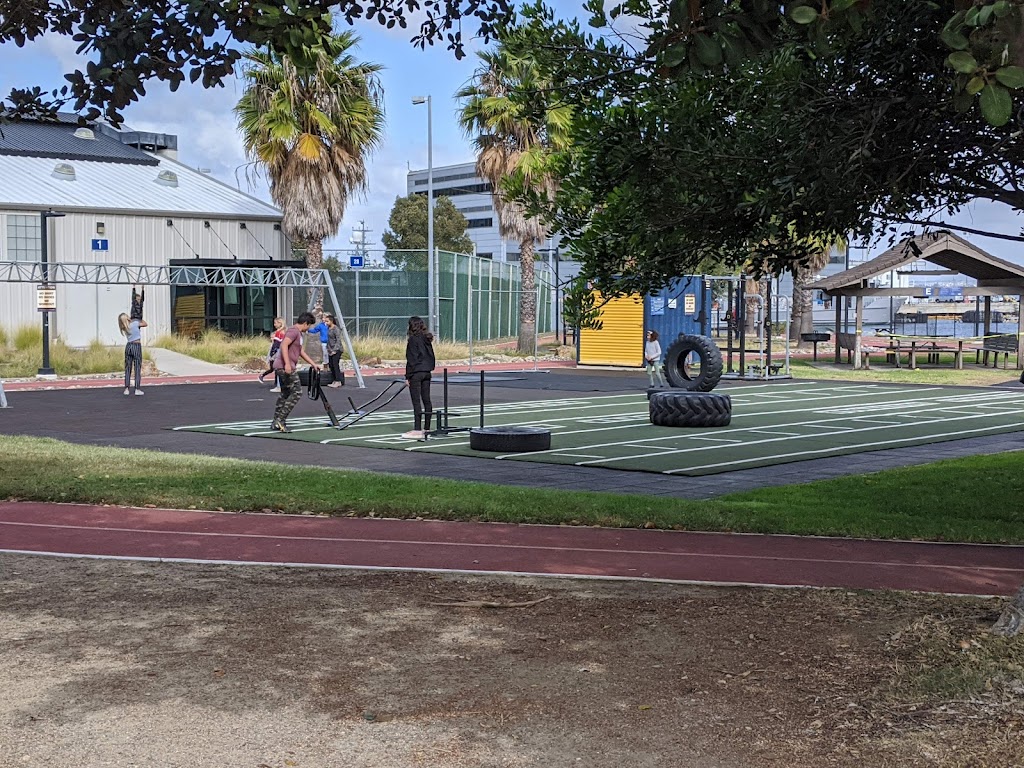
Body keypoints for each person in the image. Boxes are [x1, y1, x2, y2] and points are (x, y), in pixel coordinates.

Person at [271, 312, 321, 433]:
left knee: (285, 393)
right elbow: (284, 345)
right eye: (309, 326)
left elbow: (300, 352)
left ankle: (276, 421)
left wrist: (313, 363)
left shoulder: (298, 334)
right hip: (284, 367)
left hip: (283, 366)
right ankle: (280, 420)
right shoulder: (293, 331)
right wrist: (287, 364)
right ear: (305, 323)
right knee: (297, 392)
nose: (308, 329)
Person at [402, 315, 435, 439]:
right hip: (427, 372)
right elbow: (431, 356)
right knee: (427, 400)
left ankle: (417, 429)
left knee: (416, 401)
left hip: (416, 373)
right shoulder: (426, 339)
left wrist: (408, 376)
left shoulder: (412, 340)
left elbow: (411, 359)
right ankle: (427, 427)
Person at [118, 312, 148, 396]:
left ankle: (126, 389)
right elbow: (145, 324)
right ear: (127, 318)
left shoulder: (124, 327)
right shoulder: (134, 323)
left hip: (128, 346)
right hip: (136, 346)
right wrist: (137, 318)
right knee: (137, 367)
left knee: (128, 368)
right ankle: (137, 389)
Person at [259, 317, 286, 392]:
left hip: (278, 353)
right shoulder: (284, 332)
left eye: (275, 323)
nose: (274, 325)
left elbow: (276, 345)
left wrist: (272, 353)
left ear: (280, 323)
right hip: (282, 352)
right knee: (280, 369)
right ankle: (282, 385)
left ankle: (279, 386)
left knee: (278, 369)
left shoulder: (278, 332)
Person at [324, 314, 344, 388]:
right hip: (330, 350)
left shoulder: (336, 329)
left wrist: (335, 350)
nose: (326, 323)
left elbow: (338, 340)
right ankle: (334, 380)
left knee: (335, 365)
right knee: (331, 365)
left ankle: (338, 381)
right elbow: (329, 340)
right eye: (325, 321)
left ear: (331, 321)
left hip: (337, 350)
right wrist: (328, 349)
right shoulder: (328, 328)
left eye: (327, 321)